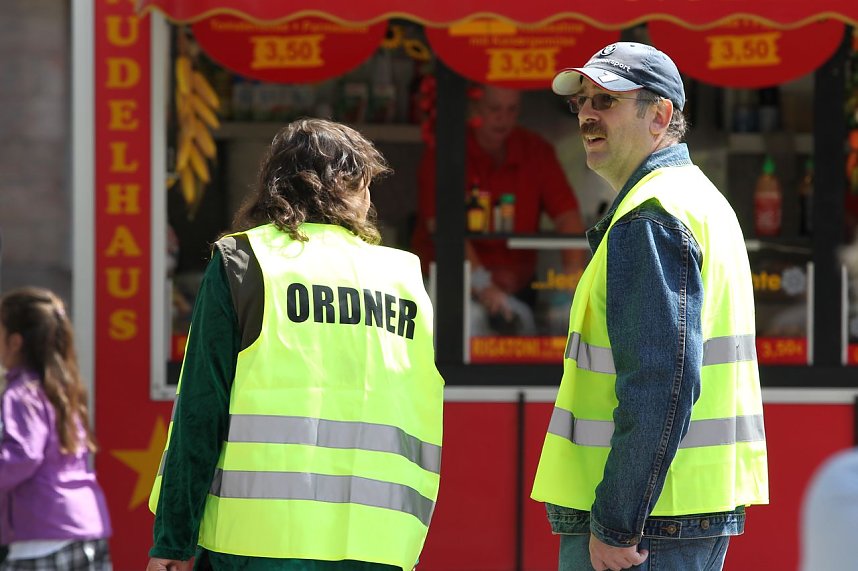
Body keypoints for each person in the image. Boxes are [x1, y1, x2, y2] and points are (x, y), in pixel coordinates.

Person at [146, 118, 445, 571]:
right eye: (367, 186)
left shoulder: (245, 261)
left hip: (255, 545)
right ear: (354, 187)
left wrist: (173, 541)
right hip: (378, 545)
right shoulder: (405, 278)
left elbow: (200, 413)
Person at [531, 42, 769, 571]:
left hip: (644, 525)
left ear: (660, 115)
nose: (588, 114)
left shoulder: (652, 214)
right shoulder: (695, 198)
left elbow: (662, 380)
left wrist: (617, 521)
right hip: (678, 510)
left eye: (607, 101)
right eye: (582, 103)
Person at [411, 84, 584, 335]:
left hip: (521, 291)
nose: (503, 118)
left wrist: (573, 280)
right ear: (473, 109)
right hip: (452, 290)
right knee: (472, 326)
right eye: (494, 109)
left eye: (511, 109)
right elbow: (445, 231)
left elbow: (568, 217)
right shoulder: (443, 154)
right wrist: (483, 286)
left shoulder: (536, 151)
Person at [0, 287, 112, 569]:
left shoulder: (22, 394)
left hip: (41, 537)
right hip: (87, 528)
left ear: (15, 341)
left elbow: (23, 455)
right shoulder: (63, 390)